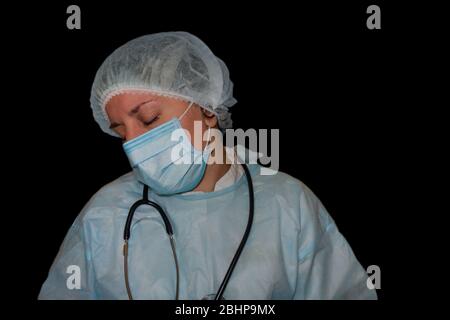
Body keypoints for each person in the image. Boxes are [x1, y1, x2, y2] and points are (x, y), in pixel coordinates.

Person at [38, 32, 377, 300]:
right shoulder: (104, 214)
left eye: (148, 118)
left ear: (207, 109)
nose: (133, 144)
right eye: (120, 131)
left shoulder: (288, 204)